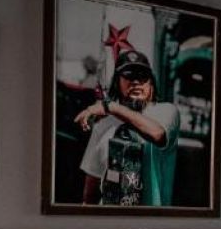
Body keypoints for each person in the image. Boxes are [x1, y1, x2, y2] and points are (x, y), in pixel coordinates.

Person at [74, 49, 181, 207]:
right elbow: (91, 190)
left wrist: (111, 106)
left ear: (151, 82)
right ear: (117, 82)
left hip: (150, 217)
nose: (136, 82)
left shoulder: (166, 111)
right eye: (129, 76)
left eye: (142, 76)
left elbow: (158, 134)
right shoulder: (103, 125)